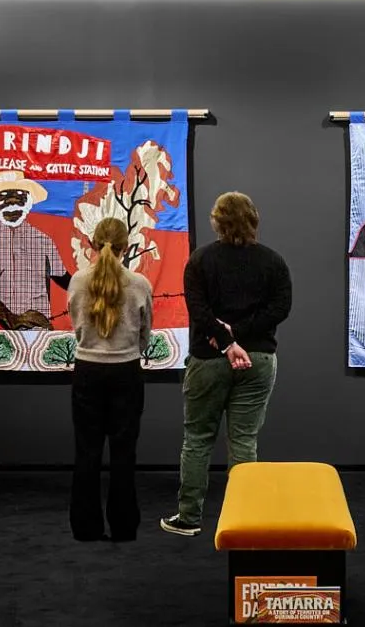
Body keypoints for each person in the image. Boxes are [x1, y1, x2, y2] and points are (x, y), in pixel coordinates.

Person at [160, 192, 292, 537]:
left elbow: (198, 312)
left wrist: (227, 338)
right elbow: (280, 309)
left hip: (209, 361)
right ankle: (244, 519)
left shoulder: (200, 260)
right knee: (245, 440)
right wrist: (241, 336)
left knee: (198, 439)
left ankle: (188, 518)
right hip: (259, 360)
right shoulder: (274, 262)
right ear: (254, 221)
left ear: (217, 222)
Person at [67, 217, 154, 542]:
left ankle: (86, 527)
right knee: (123, 453)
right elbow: (145, 334)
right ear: (126, 247)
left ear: (91, 244)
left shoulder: (77, 281)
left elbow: (77, 328)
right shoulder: (140, 284)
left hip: (88, 372)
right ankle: (123, 526)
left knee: (86, 451)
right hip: (126, 373)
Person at [0, 169, 72, 330]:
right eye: (3, 197)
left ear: (29, 201)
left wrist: (94, 287)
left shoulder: (44, 241)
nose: (12, 203)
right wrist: (12, 319)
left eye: (20, 196)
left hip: (38, 329)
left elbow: (63, 278)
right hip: (1, 330)